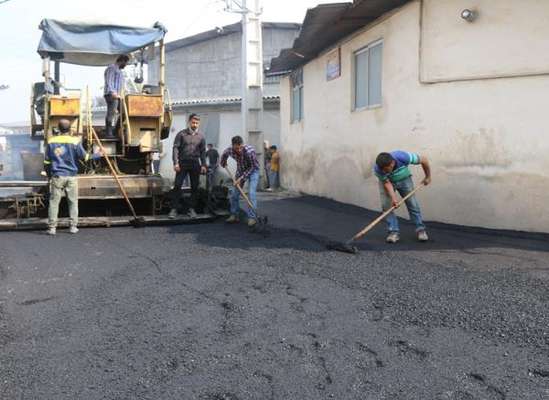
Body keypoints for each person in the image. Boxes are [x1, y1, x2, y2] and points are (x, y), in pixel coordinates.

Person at [44, 119, 103, 235]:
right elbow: (85, 157)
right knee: (72, 202)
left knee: (54, 202)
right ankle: (73, 227)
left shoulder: (51, 142)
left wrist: (49, 175)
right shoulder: (75, 142)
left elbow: (46, 162)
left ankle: (52, 228)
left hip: (57, 176)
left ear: (58, 128)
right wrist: (98, 155)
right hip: (71, 176)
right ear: (70, 129)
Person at [374, 151, 431, 243]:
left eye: (386, 169)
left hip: (404, 180)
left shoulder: (402, 156)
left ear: (392, 163)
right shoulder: (378, 168)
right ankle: (393, 232)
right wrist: (393, 199)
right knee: (386, 206)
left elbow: (424, 160)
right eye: (382, 170)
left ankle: (421, 230)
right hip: (388, 182)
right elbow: (387, 183)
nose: (384, 171)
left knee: (412, 204)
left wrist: (428, 176)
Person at [169, 114, 207, 219]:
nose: (195, 124)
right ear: (189, 122)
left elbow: (203, 152)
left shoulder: (201, 137)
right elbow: (175, 148)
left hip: (195, 164)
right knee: (177, 185)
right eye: (193, 122)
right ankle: (174, 209)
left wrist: (203, 165)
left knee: (195, 187)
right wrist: (175, 163)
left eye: (197, 123)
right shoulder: (181, 134)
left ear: (198, 123)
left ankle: (191, 209)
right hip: (182, 164)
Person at [220, 135, 260, 227]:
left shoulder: (250, 151)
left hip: (253, 171)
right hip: (240, 170)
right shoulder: (229, 150)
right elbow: (224, 155)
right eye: (236, 148)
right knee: (234, 194)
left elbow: (253, 167)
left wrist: (241, 178)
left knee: (251, 193)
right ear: (233, 145)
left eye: (240, 147)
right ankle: (234, 215)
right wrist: (223, 162)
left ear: (242, 145)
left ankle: (252, 217)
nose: (239, 150)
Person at [104, 55, 129, 138]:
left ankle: (115, 130)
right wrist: (113, 92)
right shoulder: (112, 68)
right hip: (111, 94)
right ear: (122, 61)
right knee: (111, 113)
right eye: (125, 63)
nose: (125, 65)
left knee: (124, 112)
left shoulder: (119, 71)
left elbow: (122, 85)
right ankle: (108, 133)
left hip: (118, 95)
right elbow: (109, 81)